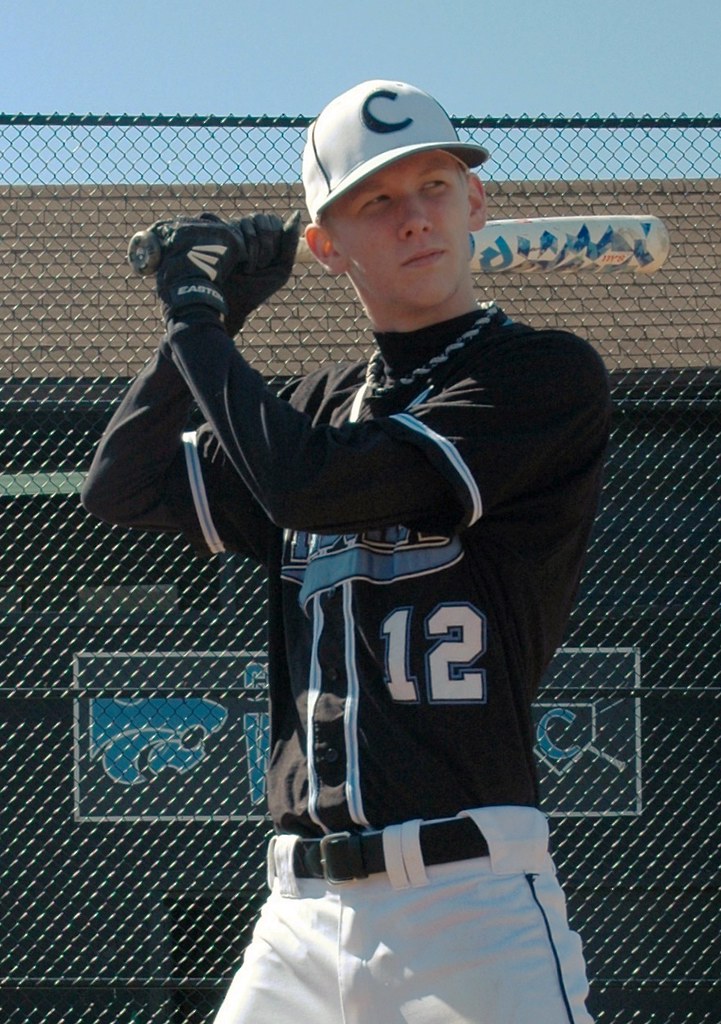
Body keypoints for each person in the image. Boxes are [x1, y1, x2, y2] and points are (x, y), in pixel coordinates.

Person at [82, 79, 611, 1024]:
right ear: (327, 247)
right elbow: (121, 482)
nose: (414, 218)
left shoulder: (539, 373)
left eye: (436, 187)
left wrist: (198, 322)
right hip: (296, 914)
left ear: (475, 202)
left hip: (468, 903)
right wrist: (203, 327)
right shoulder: (318, 407)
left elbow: (313, 488)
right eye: (377, 201)